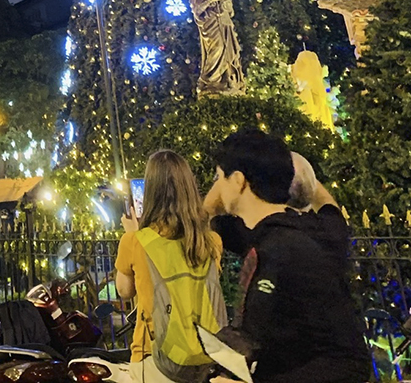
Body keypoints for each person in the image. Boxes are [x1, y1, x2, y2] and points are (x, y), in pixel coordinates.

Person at [203, 130, 368, 383]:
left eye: (218, 177)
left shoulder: (293, 250)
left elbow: (349, 362)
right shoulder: (265, 237)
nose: (216, 186)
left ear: (238, 181)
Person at [114, 150, 224, 383]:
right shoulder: (211, 242)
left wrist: (136, 234)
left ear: (149, 191)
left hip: (152, 357)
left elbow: (124, 291)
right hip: (202, 357)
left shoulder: (135, 241)